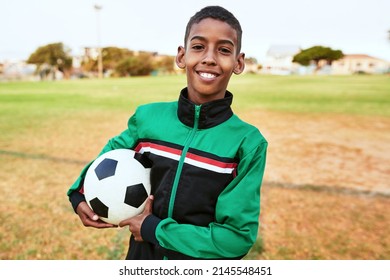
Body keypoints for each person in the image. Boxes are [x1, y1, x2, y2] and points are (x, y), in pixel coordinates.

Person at [67, 5, 267, 260]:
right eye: (198, 47)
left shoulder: (247, 143)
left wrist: (155, 229)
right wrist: (78, 194)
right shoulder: (147, 119)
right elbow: (106, 160)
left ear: (238, 62)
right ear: (181, 56)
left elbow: (236, 239)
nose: (209, 58)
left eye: (224, 50)